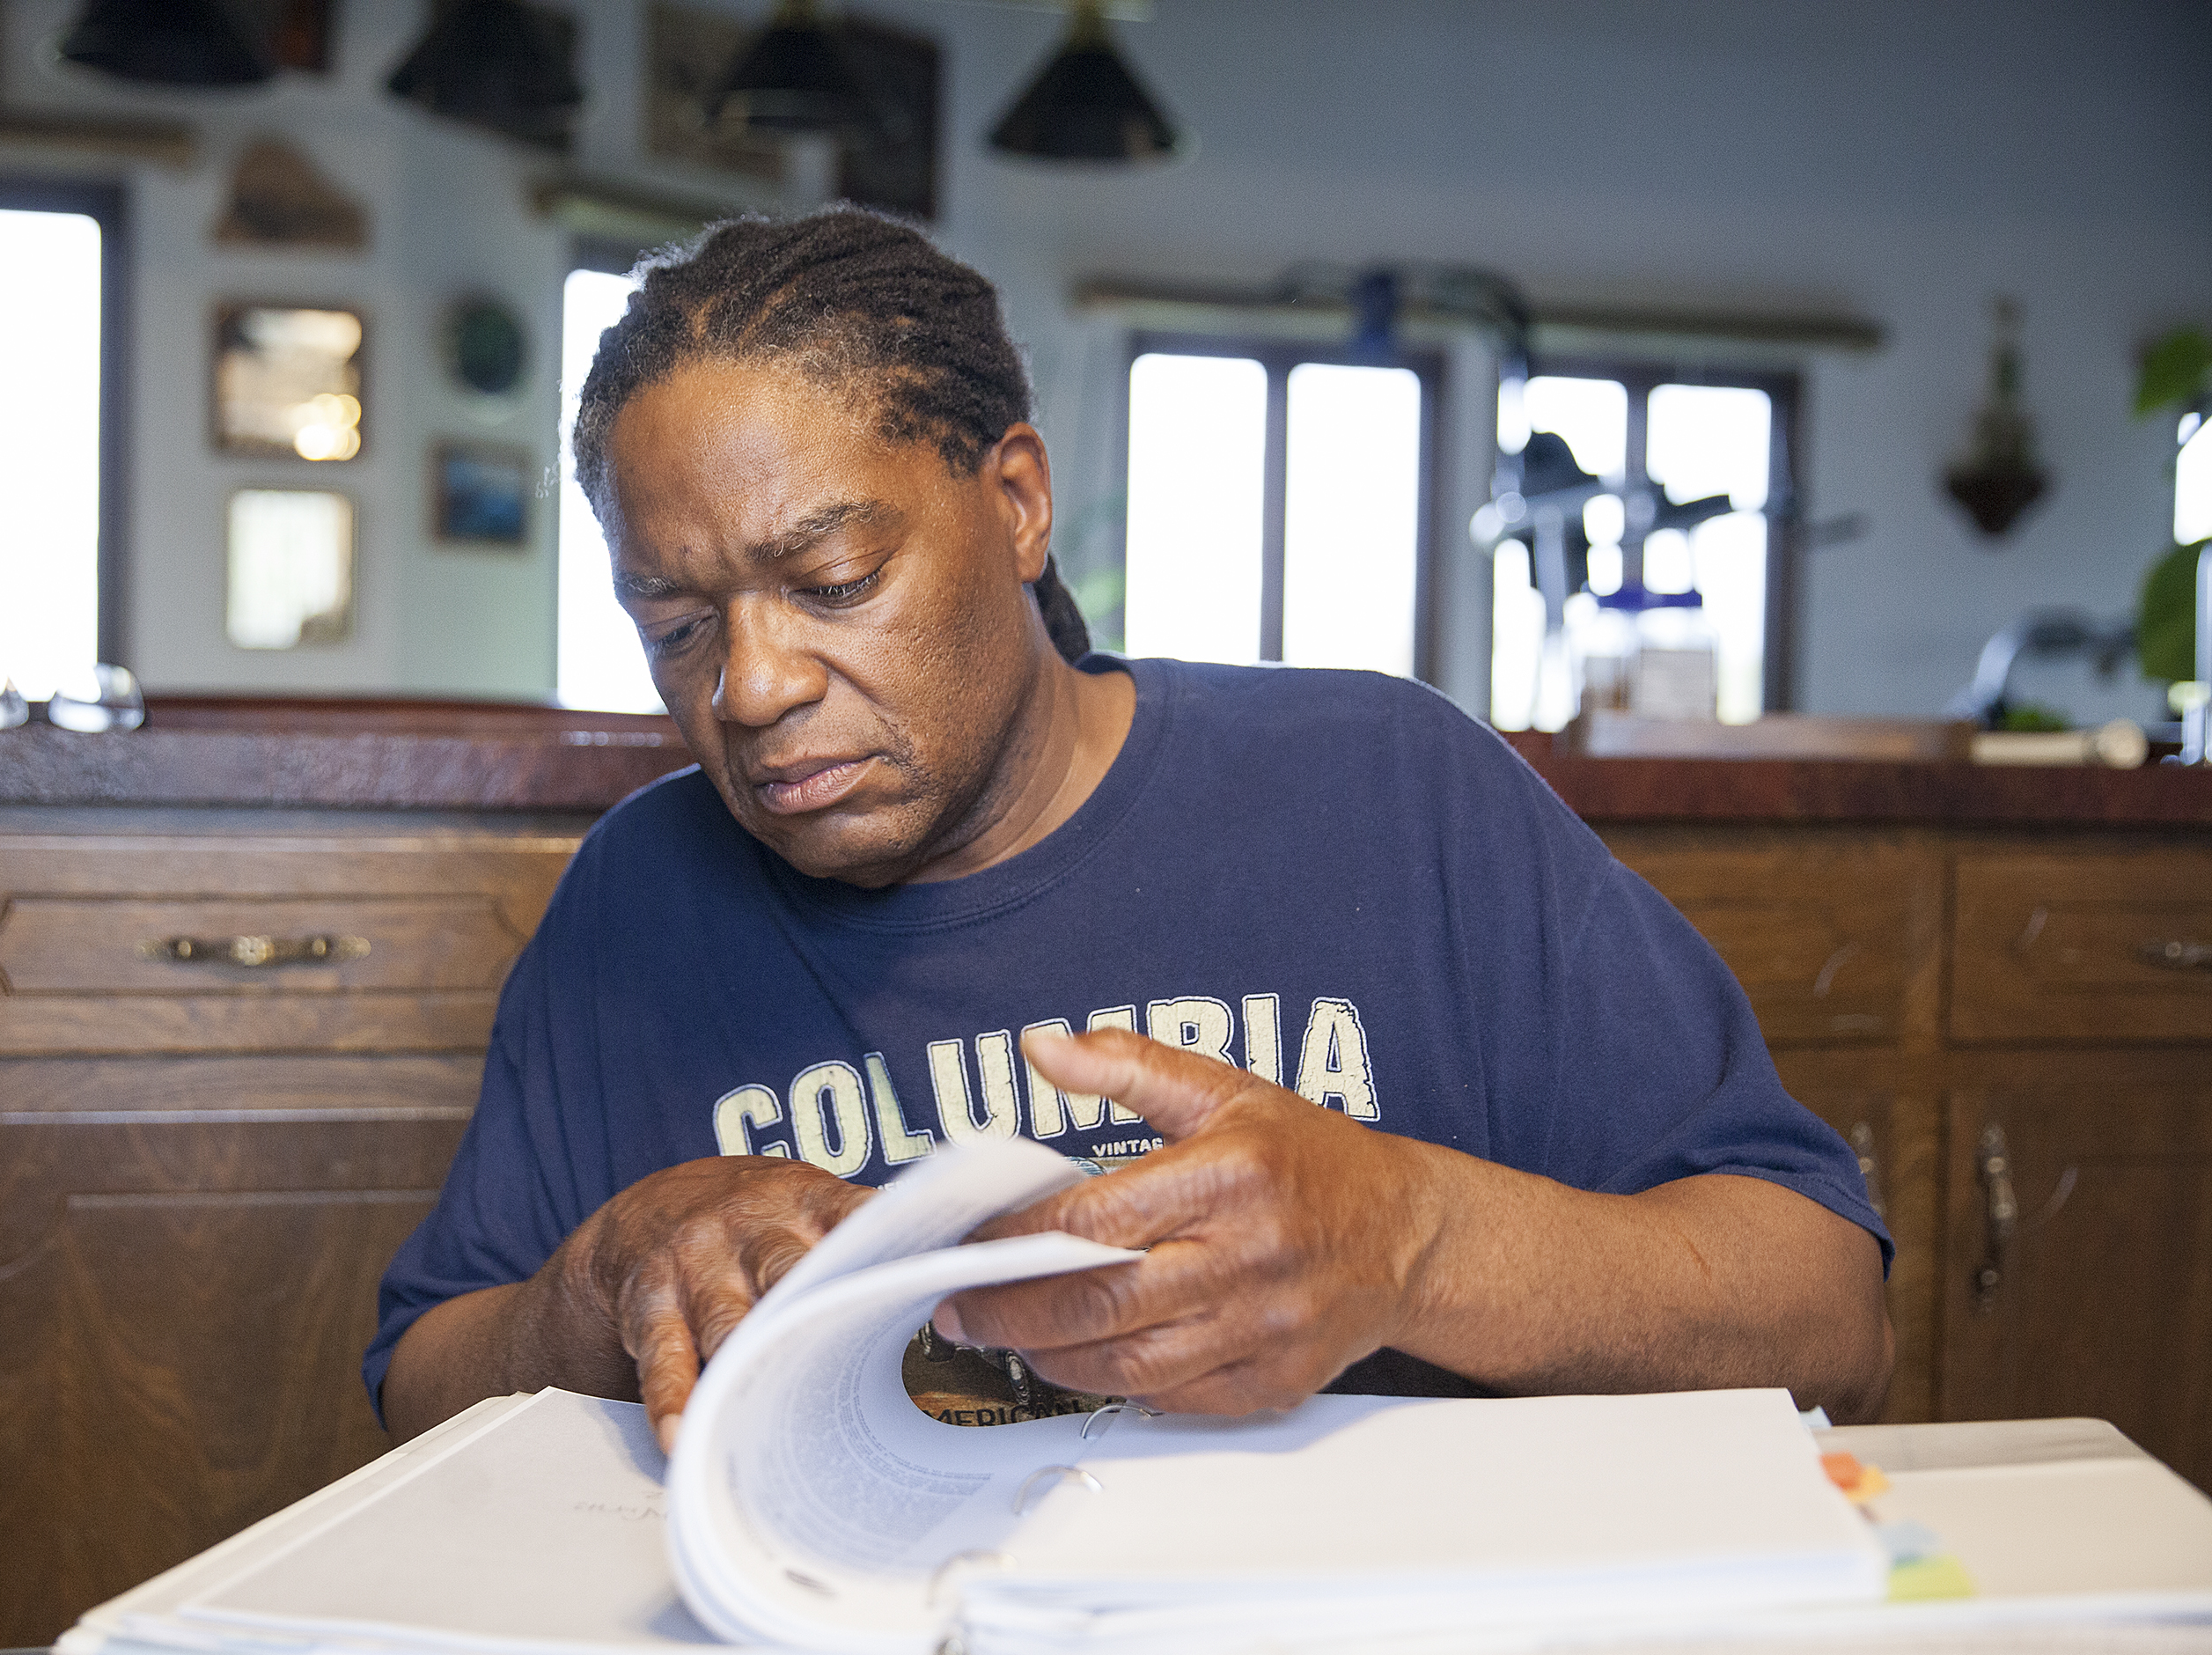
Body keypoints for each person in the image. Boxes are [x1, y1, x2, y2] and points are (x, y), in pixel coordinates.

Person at [369, 210, 1892, 1449]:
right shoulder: (644, 896)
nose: (751, 687)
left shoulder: (1388, 792)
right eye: (679, 620)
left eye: (833, 583)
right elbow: (418, 1383)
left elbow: (1832, 1318)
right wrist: (602, 1277)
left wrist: (1409, 1240)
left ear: (1017, 502)